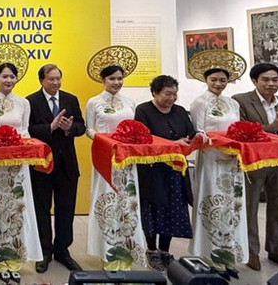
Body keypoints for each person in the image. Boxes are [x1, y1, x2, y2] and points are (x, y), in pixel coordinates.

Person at [232, 63, 278, 271]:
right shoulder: (241, 101)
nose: (271, 84)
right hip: (253, 162)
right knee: (250, 207)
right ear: (255, 81)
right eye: (265, 80)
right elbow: (240, 130)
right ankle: (251, 251)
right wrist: (272, 128)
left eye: (275, 80)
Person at [0, 61, 42, 284]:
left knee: (17, 207)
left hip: (18, 162)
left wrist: (17, 146)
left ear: (17, 79)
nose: (8, 80)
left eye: (11, 77)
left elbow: (24, 130)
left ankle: (15, 261)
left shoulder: (23, 103)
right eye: (4, 76)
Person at [187, 50, 248, 268]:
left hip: (233, 160)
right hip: (212, 158)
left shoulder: (233, 104)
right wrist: (220, 141)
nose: (218, 84)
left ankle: (229, 252)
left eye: (223, 80)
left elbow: (238, 129)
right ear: (205, 80)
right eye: (214, 80)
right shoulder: (199, 102)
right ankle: (208, 253)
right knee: (212, 201)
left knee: (233, 204)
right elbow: (199, 132)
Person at [24, 64, 85, 273]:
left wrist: (70, 128)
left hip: (67, 164)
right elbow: (28, 130)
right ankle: (44, 251)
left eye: (58, 78)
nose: (56, 83)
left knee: (66, 209)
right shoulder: (30, 101)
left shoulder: (70, 99)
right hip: (41, 165)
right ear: (41, 80)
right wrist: (50, 127)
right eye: (51, 79)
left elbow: (81, 126)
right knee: (42, 208)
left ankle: (63, 250)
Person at [86, 62, 145, 271]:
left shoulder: (130, 102)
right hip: (105, 158)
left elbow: (135, 128)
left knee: (128, 203)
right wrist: (107, 142)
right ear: (103, 80)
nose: (116, 82)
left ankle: (127, 251)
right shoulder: (94, 102)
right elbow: (89, 131)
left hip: (127, 161)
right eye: (112, 79)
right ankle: (108, 253)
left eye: (120, 78)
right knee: (108, 203)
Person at [134, 75, 197, 272]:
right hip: (152, 169)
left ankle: (165, 250)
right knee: (153, 208)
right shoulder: (143, 110)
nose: (171, 98)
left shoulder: (179, 111)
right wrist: (172, 143)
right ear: (155, 92)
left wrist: (192, 139)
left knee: (172, 208)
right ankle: (152, 250)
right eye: (167, 93)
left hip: (175, 168)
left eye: (174, 94)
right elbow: (144, 137)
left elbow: (190, 132)